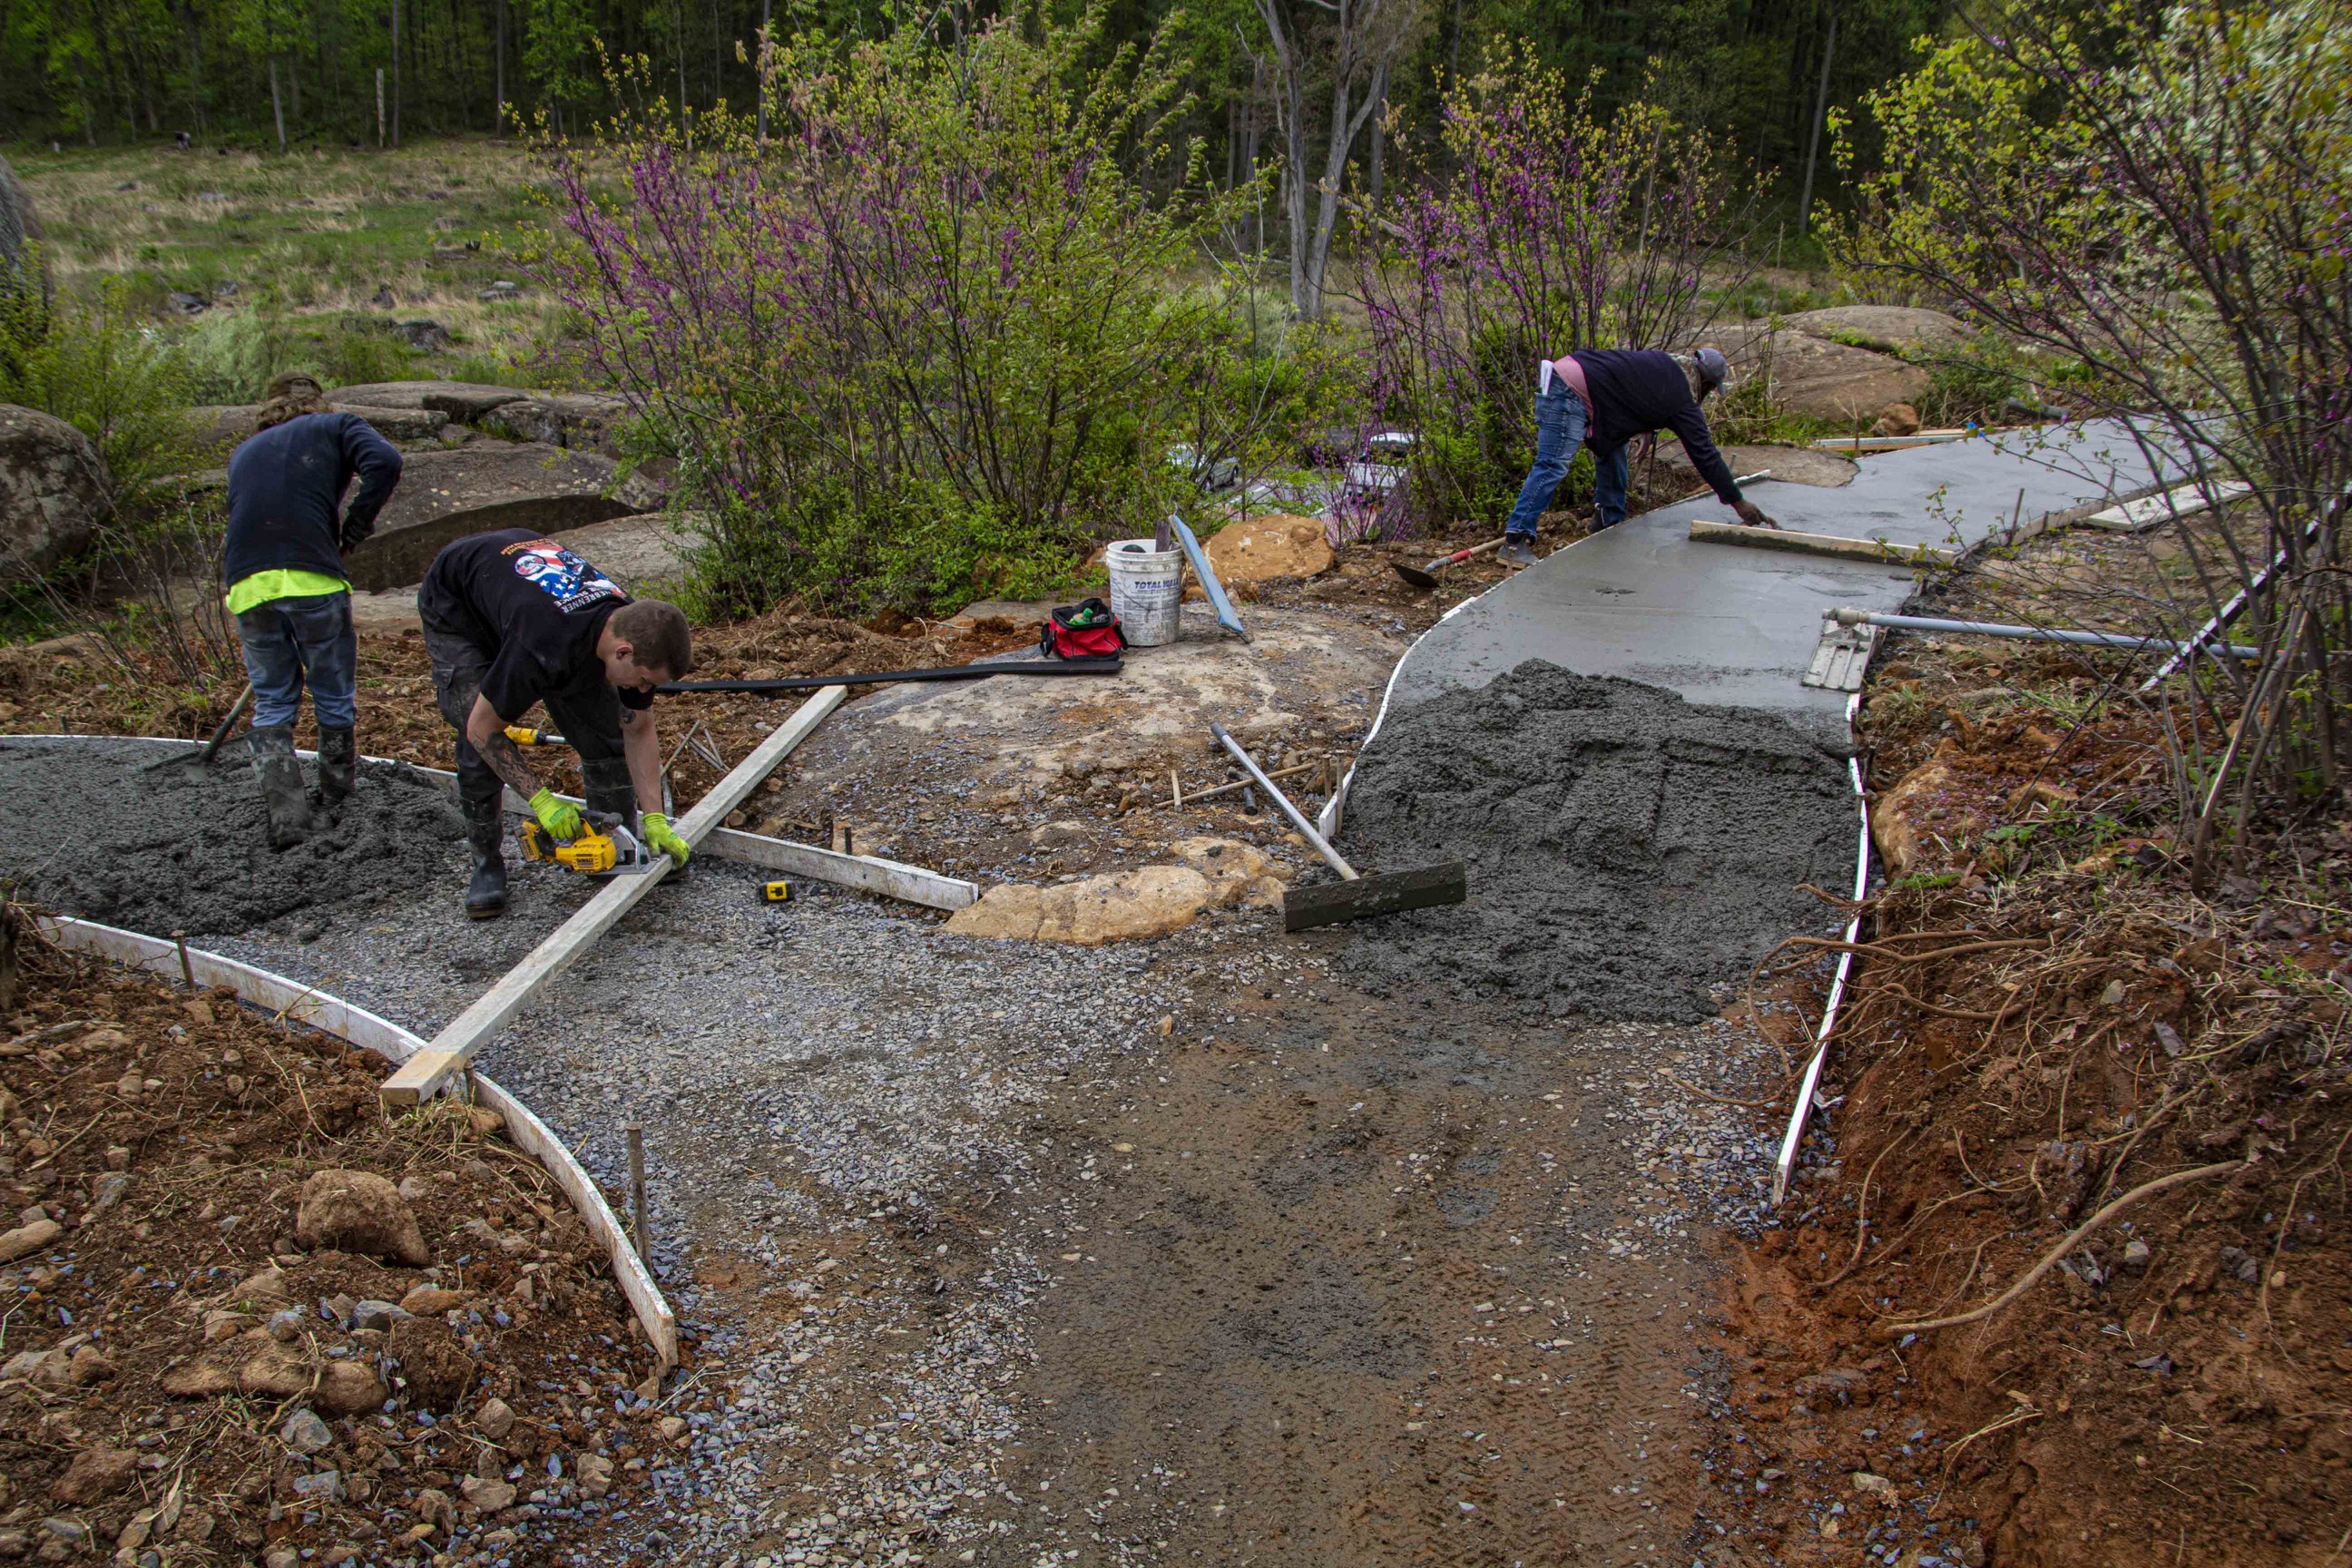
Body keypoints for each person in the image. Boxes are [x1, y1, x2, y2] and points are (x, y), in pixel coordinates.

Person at [415, 528, 695, 919]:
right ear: (623, 651)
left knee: (605, 733)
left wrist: (655, 818)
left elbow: (638, 729)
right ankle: (487, 864)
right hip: (459, 605)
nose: (643, 689)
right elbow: (483, 730)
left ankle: (619, 849)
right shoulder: (542, 644)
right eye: (644, 680)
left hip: (522, 596)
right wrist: (542, 803)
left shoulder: (634, 625)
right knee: (476, 732)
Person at [223, 372, 404, 848]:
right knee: (332, 692)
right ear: (316, 403)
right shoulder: (334, 425)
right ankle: (339, 798)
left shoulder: (243, 453)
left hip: (247, 585)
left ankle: (288, 819)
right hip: (312, 577)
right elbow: (385, 461)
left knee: (273, 700)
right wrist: (355, 527)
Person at [1495, 345, 1774, 567]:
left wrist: (1645, 427)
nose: (1709, 394)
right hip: (1570, 391)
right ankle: (1514, 543)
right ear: (1706, 381)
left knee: (1614, 446)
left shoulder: (1669, 365)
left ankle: (1608, 522)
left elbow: (1632, 388)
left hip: (1574, 378)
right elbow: (1705, 454)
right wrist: (1738, 502)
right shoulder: (1681, 394)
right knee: (1553, 464)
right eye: (1712, 388)